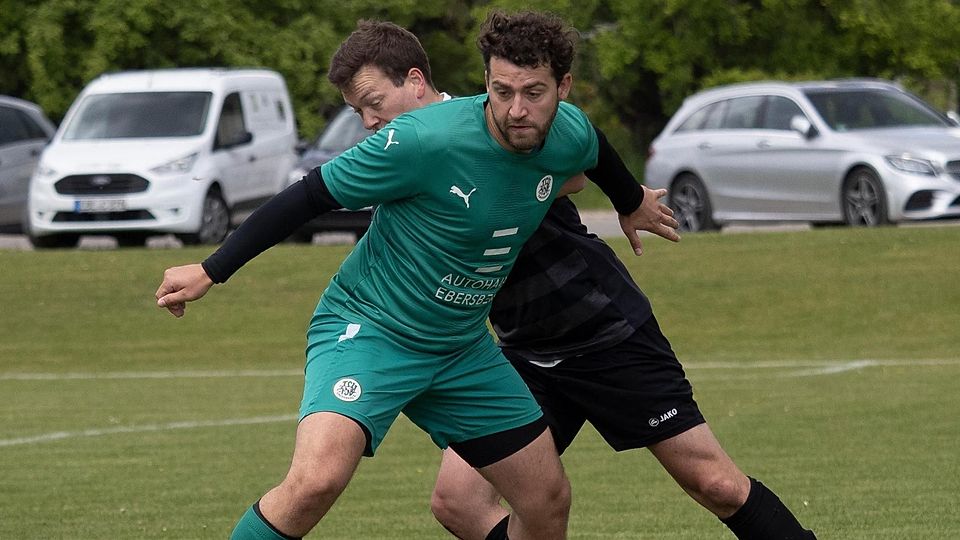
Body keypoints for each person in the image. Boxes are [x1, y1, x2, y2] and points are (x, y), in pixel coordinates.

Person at [154, 11, 677, 540]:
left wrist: (631, 200)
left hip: (461, 348)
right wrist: (211, 269)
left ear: (558, 89)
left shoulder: (559, 128)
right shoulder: (421, 140)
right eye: (502, 90)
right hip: (371, 330)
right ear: (486, 84)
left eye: (533, 92)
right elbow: (307, 196)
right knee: (316, 481)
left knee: (546, 500)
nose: (518, 107)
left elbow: (595, 148)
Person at [423, 13, 818, 540]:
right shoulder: (408, 157)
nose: (370, 123)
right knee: (458, 500)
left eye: (375, 104)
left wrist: (629, 199)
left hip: (605, 333)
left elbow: (586, 153)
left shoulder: (522, 133)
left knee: (715, 484)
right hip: (524, 354)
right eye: (359, 113)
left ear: (414, 81)